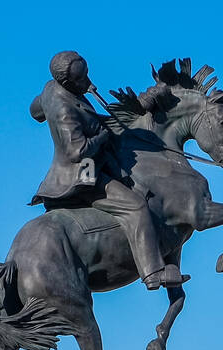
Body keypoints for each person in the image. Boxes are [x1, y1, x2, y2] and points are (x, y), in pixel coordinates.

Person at [29, 50, 186, 291]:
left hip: (81, 165)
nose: (88, 81)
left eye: (86, 74)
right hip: (81, 174)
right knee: (136, 206)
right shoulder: (64, 109)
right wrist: (102, 136)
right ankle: (153, 273)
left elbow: (35, 111)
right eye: (81, 79)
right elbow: (78, 151)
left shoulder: (50, 89)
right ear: (67, 83)